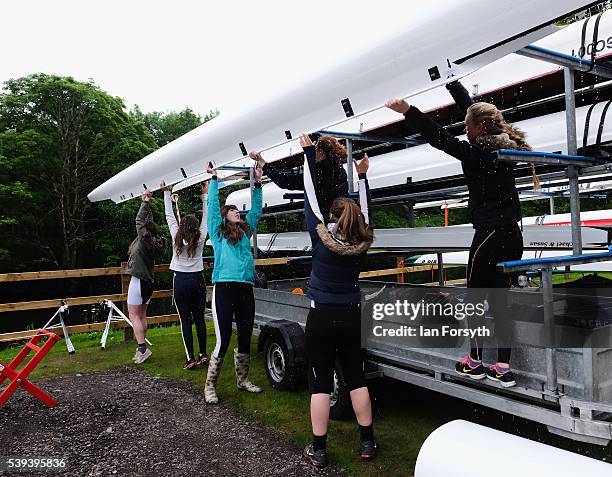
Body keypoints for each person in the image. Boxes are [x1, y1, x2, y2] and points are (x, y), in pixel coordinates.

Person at [386, 82, 530, 388]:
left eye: (467, 125)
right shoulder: (503, 148)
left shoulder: (476, 154)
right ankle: (503, 366)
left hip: (489, 233)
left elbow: (440, 138)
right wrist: (453, 85)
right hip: (511, 234)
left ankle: (475, 361)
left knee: (477, 298)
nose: (464, 129)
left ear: (479, 128)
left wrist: (409, 111)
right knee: (501, 300)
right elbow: (478, 111)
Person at [298, 133, 376, 468]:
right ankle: (368, 442)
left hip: (321, 317)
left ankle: (318, 449)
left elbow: (311, 195)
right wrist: (362, 176)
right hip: (350, 316)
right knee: (356, 379)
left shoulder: (320, 234)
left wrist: (305, 153)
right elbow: (366, 210)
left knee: (319, 384)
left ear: (332, 216)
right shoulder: (364, 237)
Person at [204, 162, 264, 404]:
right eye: (232, 210)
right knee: (224, 338)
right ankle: (210, 386)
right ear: (225, 216)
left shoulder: (245, 233)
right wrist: (214, 180)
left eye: (238, 210)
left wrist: (257, 183)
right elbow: (212, 210)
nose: (237, 211)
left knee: (245, 334)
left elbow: (257, 211)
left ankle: (242, 380)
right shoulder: (218, 233)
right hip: (224, 289)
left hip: (245, 288)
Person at [161, 180, 210, 370]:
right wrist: (205, 195)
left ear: (181, 226)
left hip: (180, 281)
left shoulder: (175, 235)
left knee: (185, 321)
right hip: (198, 279)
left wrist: (166, 192)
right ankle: (203, 354)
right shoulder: (201, 236)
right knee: (199, 318)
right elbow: (207, 217)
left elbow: (168, 215)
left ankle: (190, 358)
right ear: (196, 226)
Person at [250, 135, 349, 220]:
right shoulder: (339, 169)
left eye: (315, 150)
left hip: (327, 218)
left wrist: (261, 161)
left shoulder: (318, 173)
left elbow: (285, 181)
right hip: (343, 216)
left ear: (321, 153)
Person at [126, 189, 166, 364]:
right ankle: (142, 348)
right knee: (141, 316)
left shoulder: (144, 240)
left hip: (139, 281)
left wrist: (145, 201)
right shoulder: (156, 241)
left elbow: (139, 221)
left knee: (134, 315)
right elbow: (144, 223)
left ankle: (142, 349)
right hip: (148, 282)